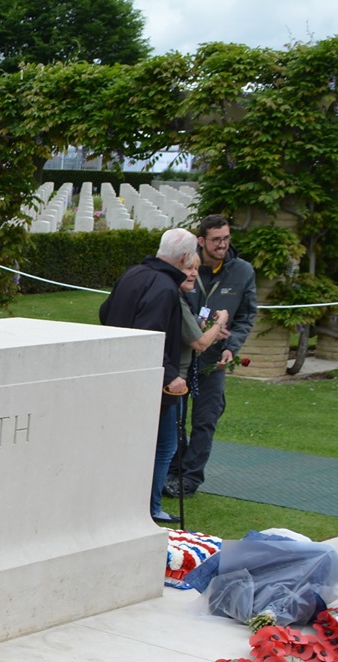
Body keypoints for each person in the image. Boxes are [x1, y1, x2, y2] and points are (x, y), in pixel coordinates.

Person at [99, 227, 201, 525]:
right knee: (164, 445)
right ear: (185, 257)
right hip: (149, 380)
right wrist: (170, 375)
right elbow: (149, 336)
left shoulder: (133, 274)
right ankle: (149, 507)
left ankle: (124, 503)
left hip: (118, 370)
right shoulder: (165, 287)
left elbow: (105, 312)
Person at [166, 215, 259, 500]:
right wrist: (200, 326)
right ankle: (173, 470)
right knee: (174, 418)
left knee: (206, 420)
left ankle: (190, 478)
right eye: (216, 240)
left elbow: (246, 316)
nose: (222, 245)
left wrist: (232, 346)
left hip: (214, 361)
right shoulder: (187, 266)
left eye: (226, 238)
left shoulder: (242, 271)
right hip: (183, 357)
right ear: (202, 241)